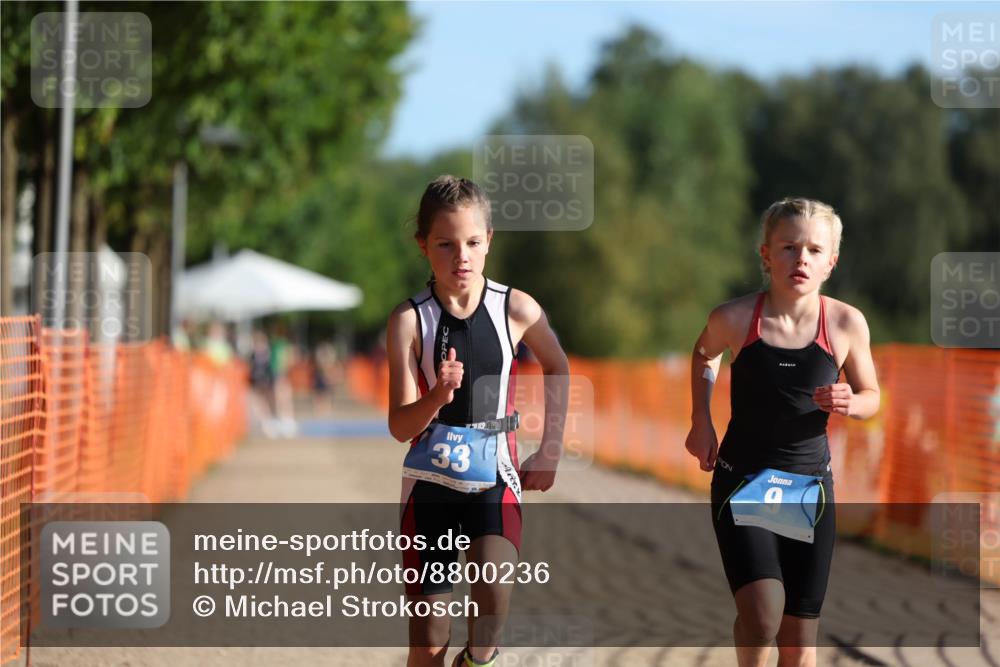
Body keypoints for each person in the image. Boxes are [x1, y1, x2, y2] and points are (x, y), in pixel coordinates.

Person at [684, 197, 880, 667]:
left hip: (810, 489)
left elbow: (872, 395)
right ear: (766, 254)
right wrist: (700, 419)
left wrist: (853, 402)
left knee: (798, 642)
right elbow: (704, 354)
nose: (802, 259)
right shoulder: (733, 318)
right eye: (789, 247)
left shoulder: (846, 323)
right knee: (762, 615)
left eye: (814, 250)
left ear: (831, 262)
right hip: (743, 480)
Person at [386, 175, 569, 667]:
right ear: (424, 246)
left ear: (489, 241)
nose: (460, 256)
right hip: (430, 484)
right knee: (428, 641)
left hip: (496, 476)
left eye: (471, 242)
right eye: (445, 244)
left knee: (492, 600)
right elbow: (401, 426)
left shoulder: (517, 308)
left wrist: (549, 450)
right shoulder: (409, 321)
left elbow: (558, 365)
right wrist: (439, 396)